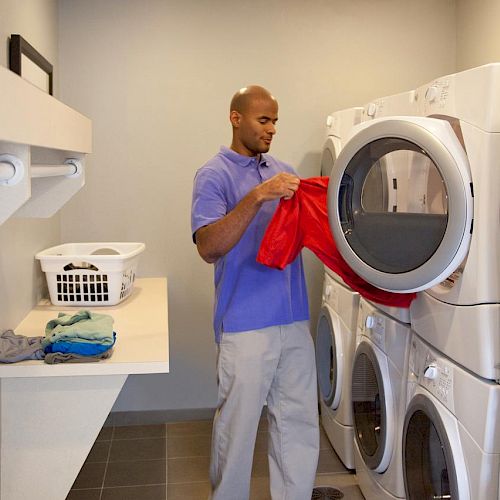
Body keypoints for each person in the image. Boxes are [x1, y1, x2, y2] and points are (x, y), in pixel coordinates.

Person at [191, 85, 319, 500]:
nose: (272, 129)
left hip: (294, 320)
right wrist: (258, 195)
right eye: (264, 120)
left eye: (276, 121)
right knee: (238, 431)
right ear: (236, 118)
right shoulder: (214, 174)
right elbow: (209, 247)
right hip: (245, 325)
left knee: (298, 424)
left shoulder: (282, 170)